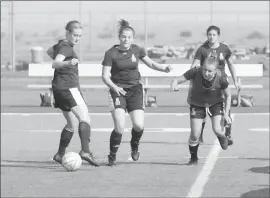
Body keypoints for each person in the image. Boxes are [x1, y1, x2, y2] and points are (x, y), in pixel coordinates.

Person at [101, 19, 171, 166]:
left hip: (135, 90)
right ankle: (112, 155)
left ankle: (134, 146)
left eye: (129, 37)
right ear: (119, 37)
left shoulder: (137, 50)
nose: (126, 39)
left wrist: (163, 68)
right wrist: (115, 87)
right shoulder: (111, 53)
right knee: (119, 127)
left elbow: (151, 63)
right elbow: (105, 76)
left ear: (132, 38)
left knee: (138, 125)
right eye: (123, 37)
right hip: (117, 91)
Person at [47, 20, 99, 167]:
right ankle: (85, 151)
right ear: (68, 33)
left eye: (80, 36)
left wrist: (64, 64)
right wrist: (68, 63)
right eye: (75, 35)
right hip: (70, 88)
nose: (77, 38)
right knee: (85, 118)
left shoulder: (60, 44)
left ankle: (60, 154)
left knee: (71, 123)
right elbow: (55, 63)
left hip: (58, 88)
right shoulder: (66, 48)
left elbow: (49, 52)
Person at [171, 55, 233, 165]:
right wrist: (174, 85)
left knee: (217, 130)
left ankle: (223, 137)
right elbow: (177, 80)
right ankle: (193, 158)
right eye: (204, 69)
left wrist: (227, 114)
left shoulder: (221, 78)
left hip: (215, 104)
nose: (206, 73)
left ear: (215, 70)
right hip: (197, 104)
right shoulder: (195, 72)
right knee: (195, 134)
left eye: (210, 71)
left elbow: (228, 96)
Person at [189, 25, 239, 144]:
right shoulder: (202, 49)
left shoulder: (224, 49)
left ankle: (227, 132)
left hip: (220, 82)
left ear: (218, 36)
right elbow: (194, 65)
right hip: (205, 82)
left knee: (224, 101)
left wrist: (235, 80)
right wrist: (192, 79)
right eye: (209, 35)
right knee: (202, 104)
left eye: (214, 35)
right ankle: (199, 134)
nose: (211, 37)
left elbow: (231, 65)